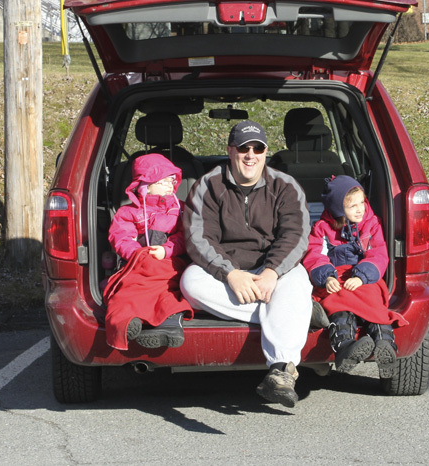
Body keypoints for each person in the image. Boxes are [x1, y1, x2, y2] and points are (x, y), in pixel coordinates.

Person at [180, 120, 312, 408]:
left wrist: (271, 272)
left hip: (271, 272)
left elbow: (296, 235)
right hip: (229, 273)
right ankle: (296, 314)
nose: (250, 155)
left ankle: (281, 372)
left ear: (266, 152)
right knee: (190, 281)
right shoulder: (209, 185)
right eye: (243, 148)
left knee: (298, 276)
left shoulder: (285, 186)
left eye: (258, 148)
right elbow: (198, 238)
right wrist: (231, 274)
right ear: (230, 151)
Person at [303, 175, 405, 378]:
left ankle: (386, 345)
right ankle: (346, 347)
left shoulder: (372, 224)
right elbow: (315, 255)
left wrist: (362, 276)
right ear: (339, 210)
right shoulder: (322, 228)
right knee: (337, 301)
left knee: (373, 300)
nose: (360, 209)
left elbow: (379, 253)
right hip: (337, 276)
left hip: (364, 277)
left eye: (362, 203)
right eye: (352, 206)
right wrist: (327, 277)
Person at [104, 154, 193, 351]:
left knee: (168, 286)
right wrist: (138, 254)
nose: (170, 186)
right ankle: (127, 320)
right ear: (144, 186)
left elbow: (186, 236)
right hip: (137, 262)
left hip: (170, 261)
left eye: (171, 180)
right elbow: (121, 237)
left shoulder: (180, 210)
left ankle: (166, 321)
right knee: (127, 286)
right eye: (162, 182)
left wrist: (167, 250)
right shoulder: (128, 213)